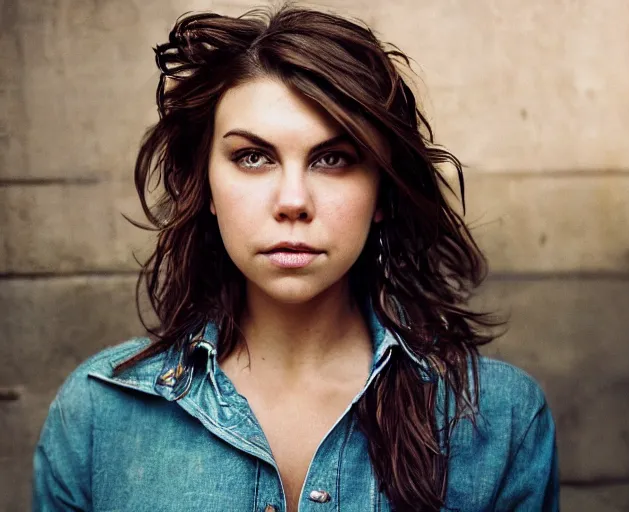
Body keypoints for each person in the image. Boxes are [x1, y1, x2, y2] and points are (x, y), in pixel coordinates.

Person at [33, 5, 559, 511]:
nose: (292, 202)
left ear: (382, 190)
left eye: (332, 159)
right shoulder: (99, 413)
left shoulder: (499, 417)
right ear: (208, 188)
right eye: (252, 157)